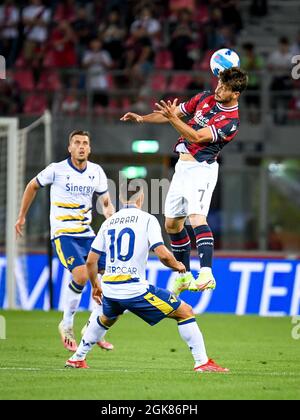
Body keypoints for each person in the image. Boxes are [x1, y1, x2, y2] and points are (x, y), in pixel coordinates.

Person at [65, 182, 228, 372]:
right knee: (185, 312)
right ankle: (202, 362)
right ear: (140, 199)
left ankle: (77, 358)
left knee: (106, 318)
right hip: (133, 288)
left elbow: (91, 261)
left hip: (109, 287)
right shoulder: (147, 219)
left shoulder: (108, 222)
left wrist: (95, 285)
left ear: (121, 200)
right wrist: (180, 266)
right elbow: (162, 253)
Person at [120, 67, 248, 295]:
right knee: (172, 224)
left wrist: (171, 119)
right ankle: (183, 275)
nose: (219, 89)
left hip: (202, 170)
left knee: (196, 217)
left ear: (235, 94)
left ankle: (206, 273)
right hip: (182, 168)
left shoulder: (231, 122)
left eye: (225, 88)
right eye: (219, 83)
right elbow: (174, 112)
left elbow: (196, 136)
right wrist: (142, 118)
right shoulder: (204, 97)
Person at [15, 130, 115, 352]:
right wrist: (22, 216)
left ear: (90, 149)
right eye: (77, 143)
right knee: (80, 275)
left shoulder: (96, 172)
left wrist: (112, 217)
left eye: (85, 143)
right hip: (63, 234)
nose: (81, 146)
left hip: (87, 234)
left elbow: (106, 202)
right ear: (69, 148)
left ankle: (94, 330)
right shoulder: (56, 170)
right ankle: (67, 324)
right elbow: (32, 185)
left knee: (113, 275)